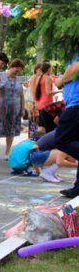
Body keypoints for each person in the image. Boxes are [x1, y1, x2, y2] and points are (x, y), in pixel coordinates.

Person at [55, 59, 79, 198]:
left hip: (76, 106)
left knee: (61, 140)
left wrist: (61, 80)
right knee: (73, 142)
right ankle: (77, 189)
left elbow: (76, 67)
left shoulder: (74, 48)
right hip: (73, 105)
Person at [0, 59, 25, 160]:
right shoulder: (1, 75)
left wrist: (23, 108)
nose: (17, 73)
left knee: (11, 129)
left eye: (19, 72)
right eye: (16, 70)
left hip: (15, 107)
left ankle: (7, 152)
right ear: (12, 67)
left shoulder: (19, 80)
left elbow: (22, 95)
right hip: (1, 107)